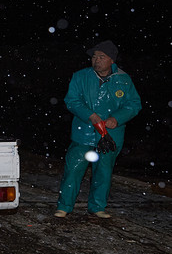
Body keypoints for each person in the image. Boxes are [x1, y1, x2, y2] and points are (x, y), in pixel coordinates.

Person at [55, 40, 141, 219]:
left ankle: (97, 207)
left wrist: (116, 119)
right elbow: (72, 100)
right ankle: (64, 206)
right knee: (73, 170)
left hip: (110, 136)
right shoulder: (80, 76)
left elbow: (133, 105)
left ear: (112, 60)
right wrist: (90, 116)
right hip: (83, 133)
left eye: (101, 57)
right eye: (94, 56)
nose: (96, 60)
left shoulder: (124, 80)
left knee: (104, 171)